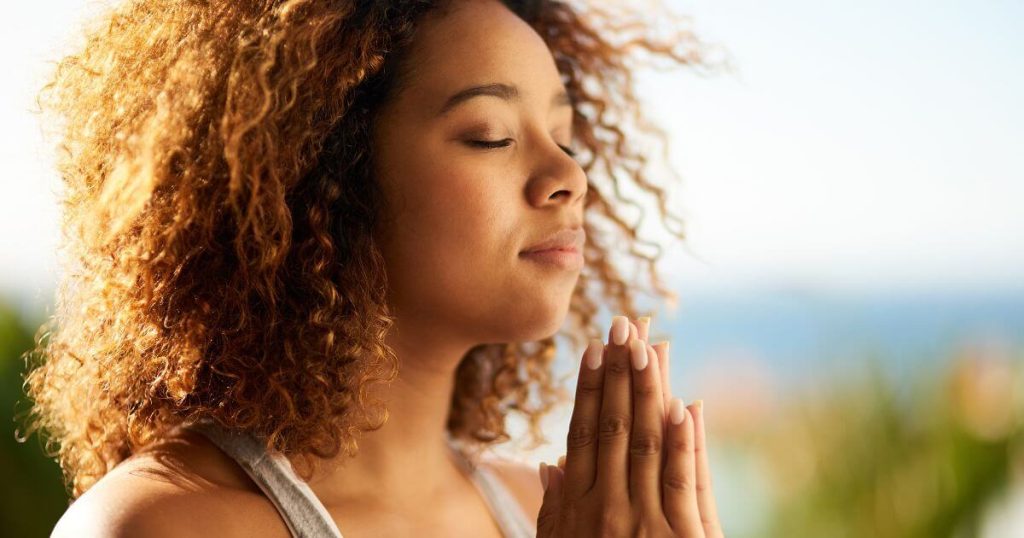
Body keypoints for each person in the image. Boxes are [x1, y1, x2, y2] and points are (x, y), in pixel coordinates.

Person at [24, 0, 726, 535]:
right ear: (323, 170)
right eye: (492, 136)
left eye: (566, 138)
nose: (567, 173)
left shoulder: (544, 504)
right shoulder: (167, 525)